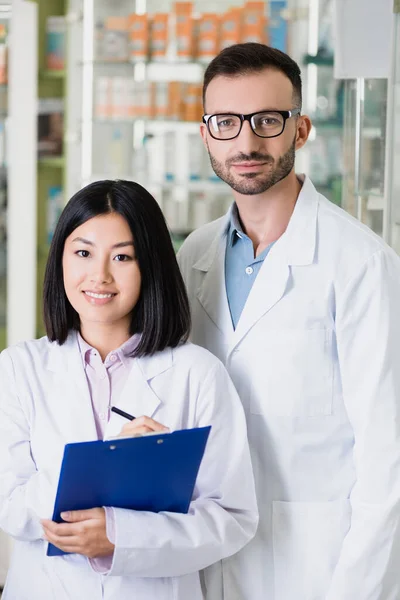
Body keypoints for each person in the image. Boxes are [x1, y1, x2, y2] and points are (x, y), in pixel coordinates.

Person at [177, 42, 400, 600]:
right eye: (226, 122)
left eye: (267, 121)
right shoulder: (192, 255)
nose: (247, 142)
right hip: (207, 557)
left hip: (316, 569)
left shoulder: (361, 263)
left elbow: (389, 461)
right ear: (205, 134)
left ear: (300, 130)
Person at [0, 180, 258, 600]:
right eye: (83, 253)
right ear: (60, 259)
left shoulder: (197, 374)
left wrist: (122, 537)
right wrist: (109, 464)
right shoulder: (18, 369)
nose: (99, 276)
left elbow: (231, 517)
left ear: (150, 265)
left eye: (122, 257)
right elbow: (11, 506)